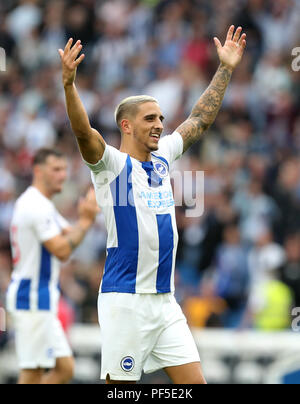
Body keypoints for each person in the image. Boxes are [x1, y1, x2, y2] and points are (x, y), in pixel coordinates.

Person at [59, 25, 246, 384]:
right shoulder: (111, 166)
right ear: (126, 126)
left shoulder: (162, 161)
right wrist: (69, 85)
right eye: (150, 119)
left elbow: (199, 120)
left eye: (160, 118)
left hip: (165, 303)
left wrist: (225, 68)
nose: (160, 125)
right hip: (125, 301)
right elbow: (84, 133)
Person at [6, 149, 99, 384]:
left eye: (65, 170)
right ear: (38, 171)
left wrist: (89, 218)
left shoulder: (43, 205)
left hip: (42, 298)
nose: (63, 175)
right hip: (32, 297)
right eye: (56, 169)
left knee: (65, 368)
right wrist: (86, 221)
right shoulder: (34, 205)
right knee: (32, 373)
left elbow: (70, 233)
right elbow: (62, 249)